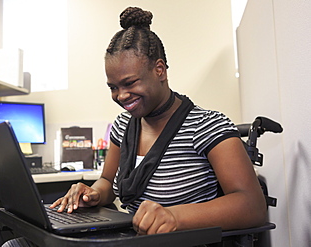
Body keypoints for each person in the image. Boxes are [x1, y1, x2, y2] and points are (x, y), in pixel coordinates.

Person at [50, 6, 267, 236]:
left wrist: (174, 216)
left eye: (130, 83)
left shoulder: (207, 126)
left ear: (160, 70)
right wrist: (92, 194)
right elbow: (106, 180)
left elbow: (252, 206)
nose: (121, 96)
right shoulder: (123, 126)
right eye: (113, 87)